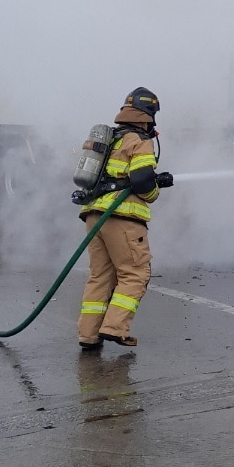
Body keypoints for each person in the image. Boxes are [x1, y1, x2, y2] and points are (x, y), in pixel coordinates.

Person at [77, 88, 171, 350]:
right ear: (147, 116)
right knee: (135, 273)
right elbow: (141, 183)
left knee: (100, 276)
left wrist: (153, 179)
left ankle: (88, 335)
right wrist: (155, 190)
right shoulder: (139, 141)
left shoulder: (112, 139)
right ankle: (114, 328)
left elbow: (122, 176)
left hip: (94, 216)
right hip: (121, 218)